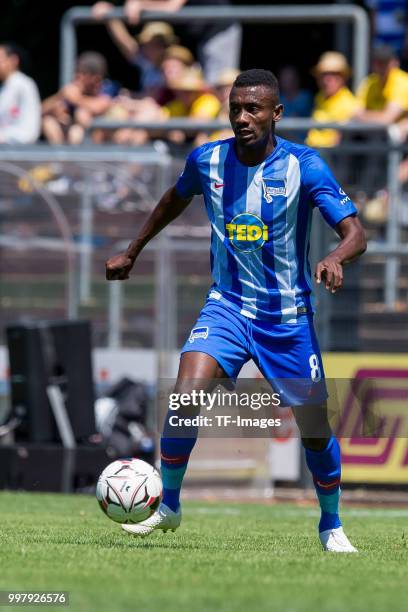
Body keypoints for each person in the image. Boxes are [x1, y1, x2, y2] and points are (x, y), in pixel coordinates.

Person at [106, 69, 366, 552]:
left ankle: (331, 525)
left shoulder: (304, 167)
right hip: (227, 306)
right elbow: (172, 200)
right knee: (185, 396)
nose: (243, 118)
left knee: (314, 429)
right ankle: (169, 507)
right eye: (235, 109)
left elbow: (355, 233)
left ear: (276, 114)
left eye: (254, 109)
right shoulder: (207, 160)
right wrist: (132, 251)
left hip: (286, 319)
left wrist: (333, 257)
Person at [92, 0, 241, 84]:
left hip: (173, 121)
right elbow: (125, 42)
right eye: (149, 42)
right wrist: (110, 16)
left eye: (159, 43)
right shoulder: (147, 64)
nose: (153, 47)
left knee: (220, 84)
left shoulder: (179, 65)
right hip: (156, 123)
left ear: (168, 46)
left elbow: (172, 7)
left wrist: (140, 4)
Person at [42, 52, 117, 145]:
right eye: (77, 72)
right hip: (71, 134)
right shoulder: (74, 90)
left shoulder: (108, 87)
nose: (77, 77)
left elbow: (98, 106)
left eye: (82, 73)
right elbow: (41, 110)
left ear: (96, 77)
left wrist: (76, 99)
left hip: (102, 140)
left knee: (78, 126)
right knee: (48, 122)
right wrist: (60, 96)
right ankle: (59, 157)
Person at [306, 52, 358, 148]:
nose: (327, 79)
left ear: (343, 77)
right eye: (323, 74)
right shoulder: (320, 97)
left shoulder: (349, 103)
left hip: (330, 157)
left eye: (334, 74)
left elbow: (339, 142)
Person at [354, 44, 408, 124]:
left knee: (397, 131)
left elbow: (387, 119)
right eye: (378, 62)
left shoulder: (403, 81)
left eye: (385, 62)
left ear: (395, 63)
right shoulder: (369, 82)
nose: (381, 66)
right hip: (370, 130)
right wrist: (380, 116)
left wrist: (364, 116)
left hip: (394, 133)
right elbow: (354, 113)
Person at [0, 42, 41, 144]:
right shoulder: (5, 86)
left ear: (13, 60)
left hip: (19, 152)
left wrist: (4, 136)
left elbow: (29, 131)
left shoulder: (24, 85)